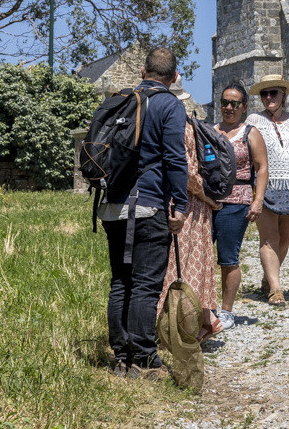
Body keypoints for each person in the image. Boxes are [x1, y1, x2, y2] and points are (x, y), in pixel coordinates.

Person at [101, 48, 187, 379]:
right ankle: (145, 360)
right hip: (148, 206)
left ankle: (122, 358)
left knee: (120, 282)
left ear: (142, 71)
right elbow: (175, 158)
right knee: (145, 286)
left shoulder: (120, 100)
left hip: (112, 206)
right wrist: (180, 205)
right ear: (174, 77)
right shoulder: (169, 105)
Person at [157, 77, 221, 342]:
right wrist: (209, 200)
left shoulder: (176, 128)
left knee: (181, 265)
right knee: (194, 263)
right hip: (195, 205)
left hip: (183, 203)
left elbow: (186, 172)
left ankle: (184, 326)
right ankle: (198, 322)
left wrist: (205, 198)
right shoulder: (189, 126)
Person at [245, 74, 289, 305]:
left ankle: (268, 279)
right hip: (266, 185)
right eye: (264, 93)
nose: (269, 97)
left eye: (273, 92)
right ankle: (276, 288)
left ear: (283, 95)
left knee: (284, 240)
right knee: (269, 238)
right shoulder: (254, 120)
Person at [211, 82, 269, 331]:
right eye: (225, 102)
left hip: (236, 201)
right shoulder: (210, 131)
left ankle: (226, 311)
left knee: (227, 257)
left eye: (234, 103)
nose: (229, 107)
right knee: (202, 255)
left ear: (244, 107)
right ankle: (204, 308)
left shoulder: (250, 133)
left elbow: (262, 167)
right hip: (208, 201)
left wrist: (258, 200)